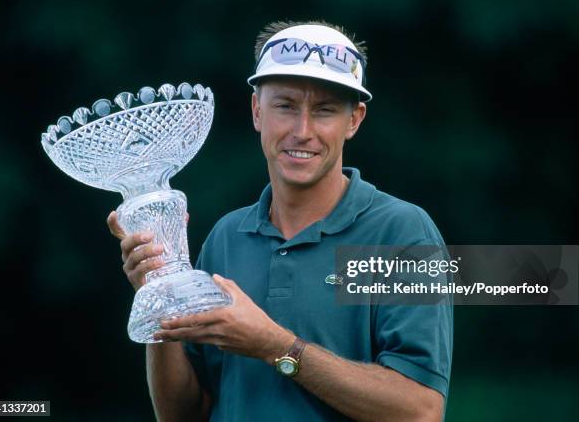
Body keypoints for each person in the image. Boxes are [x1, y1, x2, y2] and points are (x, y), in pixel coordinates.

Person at [107, 21, 453, 422]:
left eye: (324, 110)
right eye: (285, 106)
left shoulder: (402, 233)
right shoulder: (226, 237)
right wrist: (158, 295)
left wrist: (276, 346)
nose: (302, 131)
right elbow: (182, 415)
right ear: (257, 111)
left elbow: (421, 412)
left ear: (354, 120)